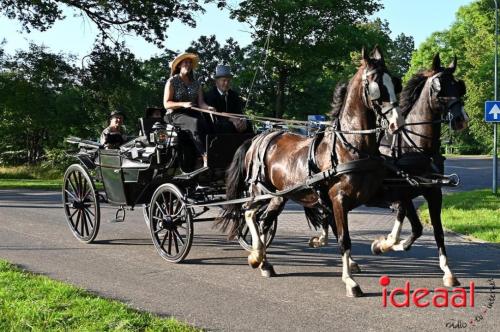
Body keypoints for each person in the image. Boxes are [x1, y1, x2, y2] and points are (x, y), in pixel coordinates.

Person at [163, 52, 214, 167]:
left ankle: (214, 153)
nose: (188, 65)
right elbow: (166, 104)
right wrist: (183, 104)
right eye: (186, 62)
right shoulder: (172, 81)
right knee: (194, 123)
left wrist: (209, 108)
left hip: (191, 113)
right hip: (174, 114)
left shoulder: (196, 84)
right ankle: (204, 155)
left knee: (209, 124)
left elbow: (201, 104)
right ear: (179, 65)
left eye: (190, 63)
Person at [204, 65, 251, 134]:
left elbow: (239, 112)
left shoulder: (234, 95)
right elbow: (215, 115)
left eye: (228, 81)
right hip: (217, 123)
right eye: (224, 80)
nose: (226, 83)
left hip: (234, 122)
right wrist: (231, 119)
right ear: (216, 82)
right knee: (227, 126)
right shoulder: (210, 95)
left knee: (247, 124)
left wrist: (242, 120)